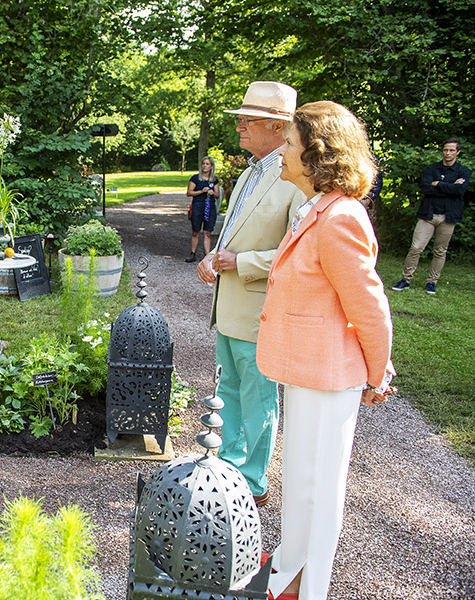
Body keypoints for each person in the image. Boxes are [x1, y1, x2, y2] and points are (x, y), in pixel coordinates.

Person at [256, 100, 394, 600]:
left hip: (329, 374)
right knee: (300, 481)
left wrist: (378, 373)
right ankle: (289, 569)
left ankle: (309, 589)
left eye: (290, 144)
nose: (283, 152)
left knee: (318, 489)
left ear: (317, 155)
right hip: (306, 369)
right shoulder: (317, 207)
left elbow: (370, 306)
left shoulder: (341, 217)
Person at [196, 81, 306, 507]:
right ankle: (228, 465)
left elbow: (296, 254)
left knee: (259, 399)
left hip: (262, 311)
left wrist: (239, 263)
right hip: (230, 309)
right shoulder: (249, 170)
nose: (239, 126)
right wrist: (213, 258)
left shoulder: (296, 179)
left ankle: (253, 482)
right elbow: (234, 234)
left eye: (249, 120)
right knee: (232, 394)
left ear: (278, 128)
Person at [392, 138, 469, 295]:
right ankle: (406, 280)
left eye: (451, 150)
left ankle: (431, 282)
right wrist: (451, 186)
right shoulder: (432, 169)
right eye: (445, 150)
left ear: (458, 152)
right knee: (416, 247)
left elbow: (460, 191)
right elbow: (426, 188)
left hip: (448, 218)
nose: (448, 153)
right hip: (428, 214)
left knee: (440, 251)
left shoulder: (463, 171)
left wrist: (439, 184)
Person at [184, 156, 220, 262]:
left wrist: (213, 193)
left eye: (207, 164)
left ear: (211, 166)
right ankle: (193, 253)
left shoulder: (214, 180)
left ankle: (207, 256)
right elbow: (189, 193)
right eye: (203, 163)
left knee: (207, 232)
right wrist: (201, 191)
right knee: (196, 231)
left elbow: (217, 195)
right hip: (198, 206)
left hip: (210, 207)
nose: (205, 166)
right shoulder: (195, 178)